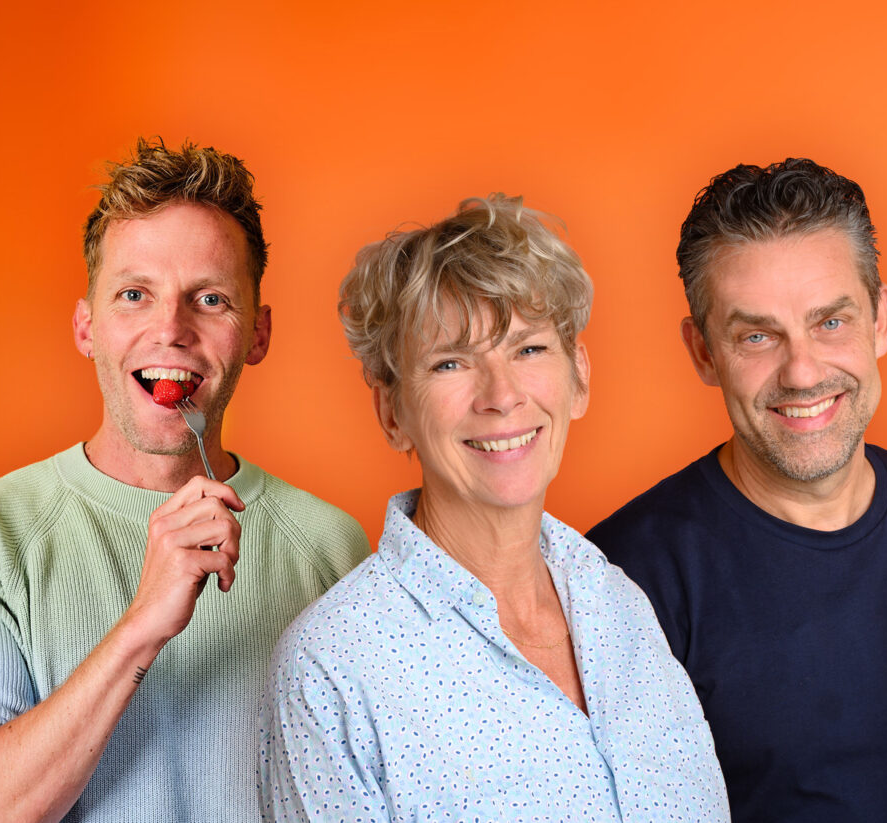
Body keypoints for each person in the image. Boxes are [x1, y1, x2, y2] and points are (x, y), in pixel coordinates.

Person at [0, 138, 370, 822]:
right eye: (134, 294)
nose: (169, 329)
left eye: (209, 299)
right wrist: (145, 624)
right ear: (88, 326)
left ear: (258, 334)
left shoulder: (333, 546)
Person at [258, 195, 727, 820]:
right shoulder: (333, 668)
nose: (501, 397)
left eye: (528, 350)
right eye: (450, 362)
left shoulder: (619, 606)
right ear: (393, 414)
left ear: (578, 377)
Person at [586, 159, 887, 822]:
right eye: (757, 335)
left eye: (830, 322)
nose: (801, 371)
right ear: (702, 351)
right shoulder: (620, 579)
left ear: (879, 319)